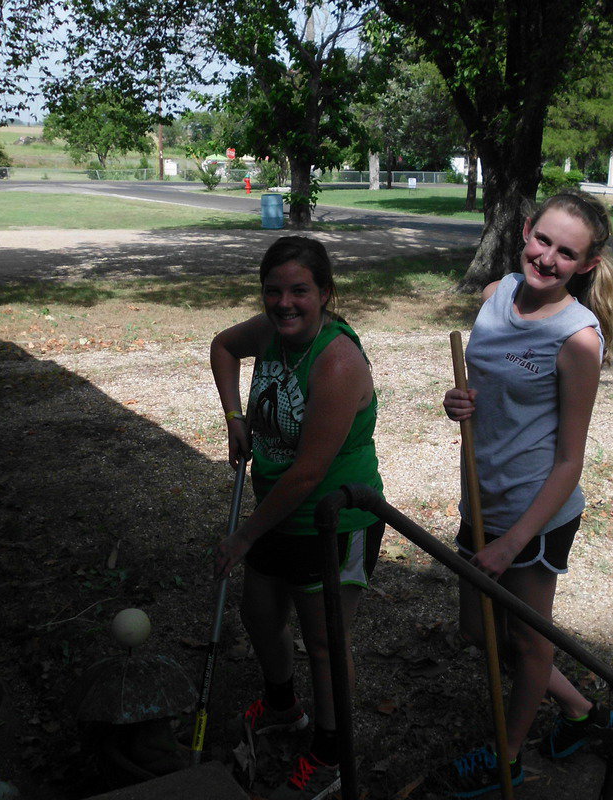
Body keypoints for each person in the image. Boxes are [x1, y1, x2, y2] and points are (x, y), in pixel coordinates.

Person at [438, 191, 613, 797]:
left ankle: (509, 755)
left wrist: (512, 542)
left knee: (525, 637)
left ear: (586, 264)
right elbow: (490, 394)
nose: (547, 258)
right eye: (542, 240)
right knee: (477, 632)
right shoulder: (495, 297)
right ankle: (579, 711)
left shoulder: (578, 338)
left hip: (534, 514)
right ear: (525, 230)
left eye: (566, 252)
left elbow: (571, 460)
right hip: (482, 498)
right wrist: (461, 403)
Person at [210, 235, 385, 800]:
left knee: (324, 642)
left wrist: (242, 536)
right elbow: (221, 346)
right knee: (259, 613)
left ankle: (333, 751)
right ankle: (283, 707)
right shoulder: (268, 334)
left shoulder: (337, 361)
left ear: (326, 293)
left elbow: (309, 473)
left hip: (333, 517)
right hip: (277, 508)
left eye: (299, 292)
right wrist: (235, 416)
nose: (284, 303)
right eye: (273, 292)